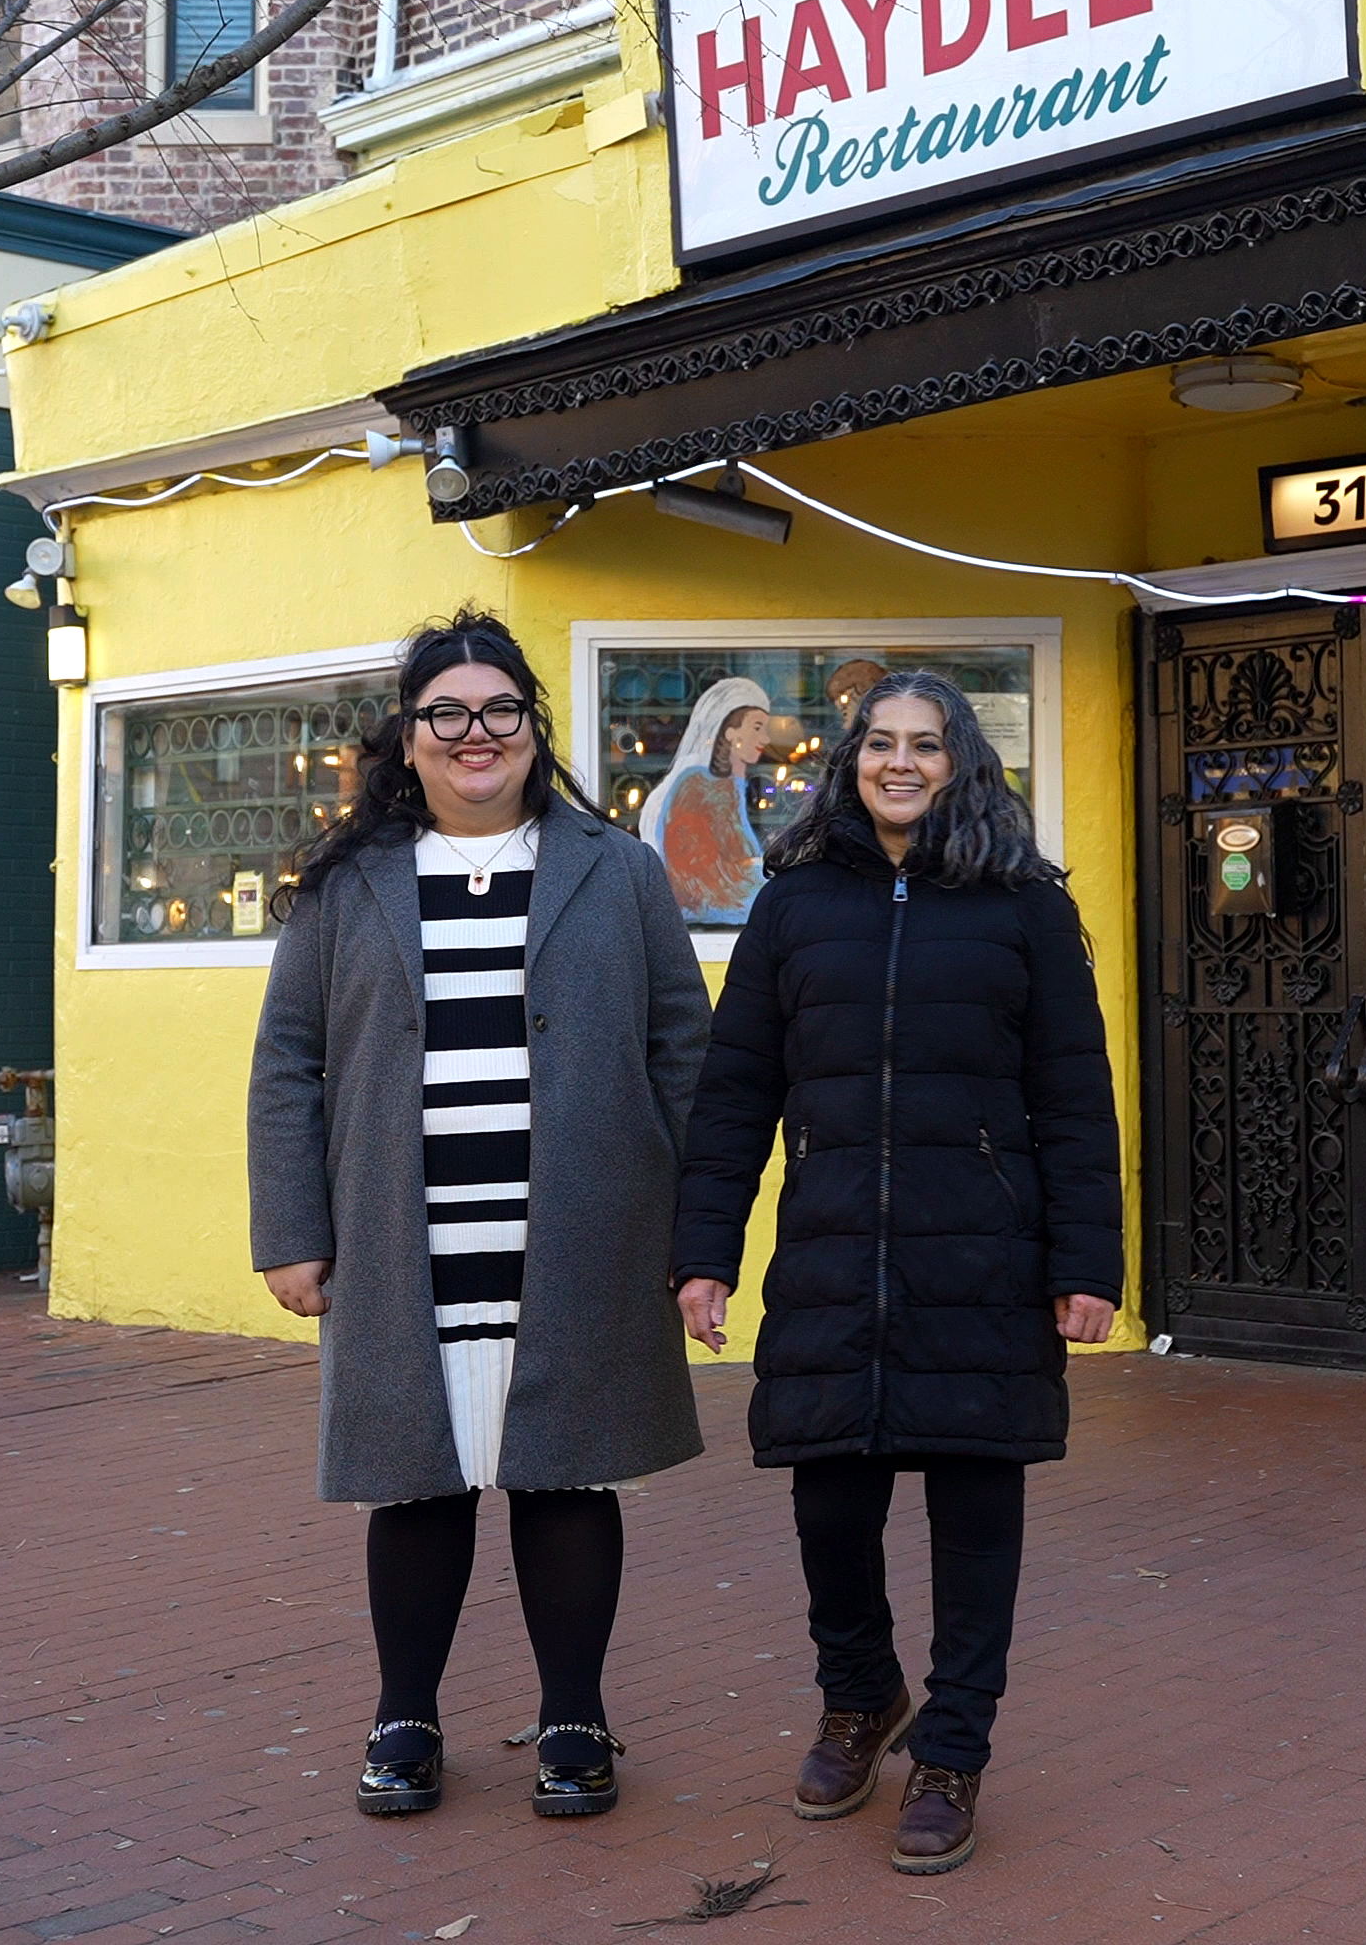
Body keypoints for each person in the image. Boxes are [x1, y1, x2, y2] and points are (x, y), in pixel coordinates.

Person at [249, 606, 714, 1822]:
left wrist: (694, 1236)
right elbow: (287, 1062)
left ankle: (576, 1716)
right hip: (406, 1237)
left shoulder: (618, 870)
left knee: (567, 1479)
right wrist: (291, 1228)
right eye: (445, 713)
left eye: (499, 711)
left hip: (582, 1232)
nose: (474, 734)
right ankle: (406, 1716)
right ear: (406, 739)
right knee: (418, 1483)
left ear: (531, 730)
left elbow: (686, 1055)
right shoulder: (345, 887)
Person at [671, 671, 1123, 1877]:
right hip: (832, 1252)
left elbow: (1075, 1102)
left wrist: (1086, 1263)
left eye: (927, 745)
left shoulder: (1023, 905)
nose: (903, 763)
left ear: (963, 761)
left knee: (977, 1511)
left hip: (984, 1258)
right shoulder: (797, 900)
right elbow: (735, 1094)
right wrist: (704, 1253)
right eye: (882, 743)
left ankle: (954, 1751)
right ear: (850, 759)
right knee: (829, 1502)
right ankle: (862, 1696)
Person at [640, 676, 774, 925]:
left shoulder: (728, 784)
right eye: (757, 727)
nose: (766, 739)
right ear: (730, 731)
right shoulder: (697, 785)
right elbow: (699, 879)